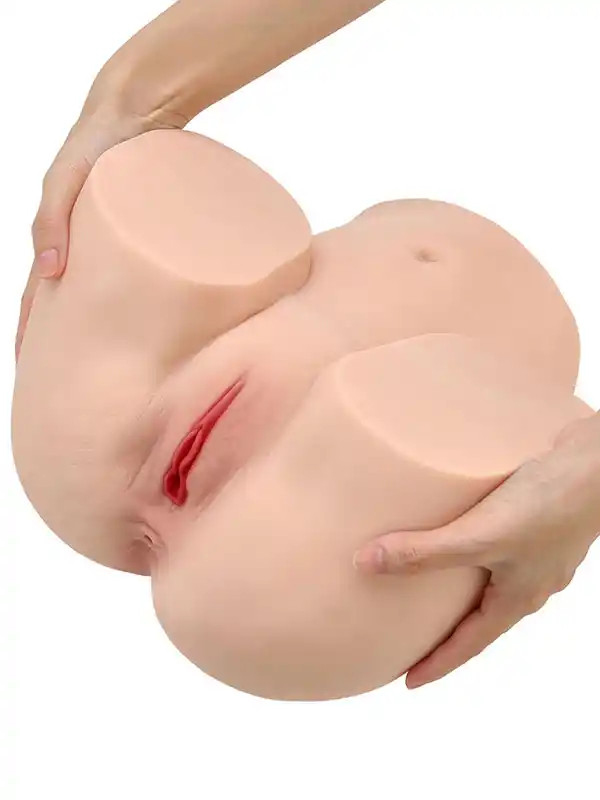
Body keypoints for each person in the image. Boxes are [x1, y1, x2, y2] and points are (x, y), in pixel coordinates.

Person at [16, 0, 600, 691]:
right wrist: (133, 99)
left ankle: (407, 445)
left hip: (465, 407)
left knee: (250, 606)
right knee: (237, 583)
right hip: (436, 397)